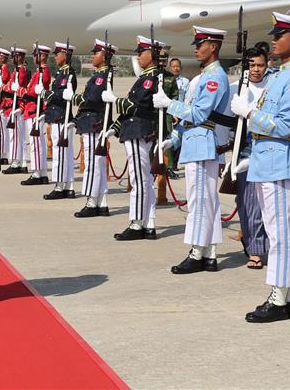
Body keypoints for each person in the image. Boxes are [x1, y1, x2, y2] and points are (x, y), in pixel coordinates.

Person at [232, 13, 290, 322]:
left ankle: (278, 298)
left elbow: (287, 124)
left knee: (280, 235)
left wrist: (249, 111)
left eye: (280, 35)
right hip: (268, 160)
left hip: (279, 162)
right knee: (282, 233)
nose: (274, 40)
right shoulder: (282, 74)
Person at [156, 27, 230, 273]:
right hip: (196, 141)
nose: (196, 49)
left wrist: (169, 104)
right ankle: (209, 251)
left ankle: (197, 251)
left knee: (199, 201)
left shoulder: (212, 77)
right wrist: (175, 138)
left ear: (214, 47)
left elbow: (198, 114)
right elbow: (193, 115)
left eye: (201, 44)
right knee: (207, 200)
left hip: (202, 144)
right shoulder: (207, 76)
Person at [102, 35, 161, 240]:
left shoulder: (150, 78)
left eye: (140, 52)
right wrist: (116, 127)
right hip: (134, 129)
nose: (138, 56)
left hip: (139, 131)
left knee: (139, 179)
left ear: (151, 55)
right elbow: (131, 110)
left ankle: (137, 223)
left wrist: (114, 100)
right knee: (144, 179)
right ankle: (149, 222)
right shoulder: (145, 77)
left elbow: (137, 106)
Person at [225, 47, 270, 268]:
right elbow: (227, 122)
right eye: (251, 65)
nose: (255, 69)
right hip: (243, 150)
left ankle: (258, 249)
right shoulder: (237, 88)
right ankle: (254, 248)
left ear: (266, 65)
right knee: (247, 204)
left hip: (268, 148)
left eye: (259, 65)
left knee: (266, 206)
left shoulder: (272, 86)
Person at [72, 39, 115, 217]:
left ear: (104, 57)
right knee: (97, 164)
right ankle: (101, 201)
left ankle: (91, 201)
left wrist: (73, 98)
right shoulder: (101, 74)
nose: (93, 56)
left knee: (91, 164)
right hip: (93, 122)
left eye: (96, 53)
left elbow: (92, 98)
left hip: (93, 123)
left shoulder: (101, 76)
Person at [42, 41, 77, 199]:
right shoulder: (61, 73)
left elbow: (63, 96)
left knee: (60, 152)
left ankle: (59, 186)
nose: (55, 56)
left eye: (58, 53)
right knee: (65, 152)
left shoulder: (68, 74)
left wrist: (47, 94)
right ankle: (68, 185)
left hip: (61, 117)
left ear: (66, 55)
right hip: (57, 116)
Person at [21, 44, 51, 186]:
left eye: (36, 55)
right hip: (31, 109)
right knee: (36, 143)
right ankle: (42, 173)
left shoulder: (43, 71)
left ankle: (37, 173)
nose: (34, 57)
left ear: (43, 56)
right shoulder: (37, 72)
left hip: (35, 110)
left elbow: (35, 90)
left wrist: (24, 92)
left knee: (36, 144)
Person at [1, 47, 29, 174]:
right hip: (16, 105)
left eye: (15, 57)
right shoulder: (16, 71)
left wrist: (7, 87)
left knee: (16, 137)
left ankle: (17, 162)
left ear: (20, 57)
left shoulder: (21, 70)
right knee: (19, 136)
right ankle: (21, 162)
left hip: (18, 106)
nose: (13, 59)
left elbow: (20, 85)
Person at [0, 47, 12, 164]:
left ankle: (4, 155)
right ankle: (1, 153)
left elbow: (2, 83)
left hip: (3, 103)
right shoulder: (0, 70)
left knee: (3, 131)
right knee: (0, 131)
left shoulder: (4, 70)